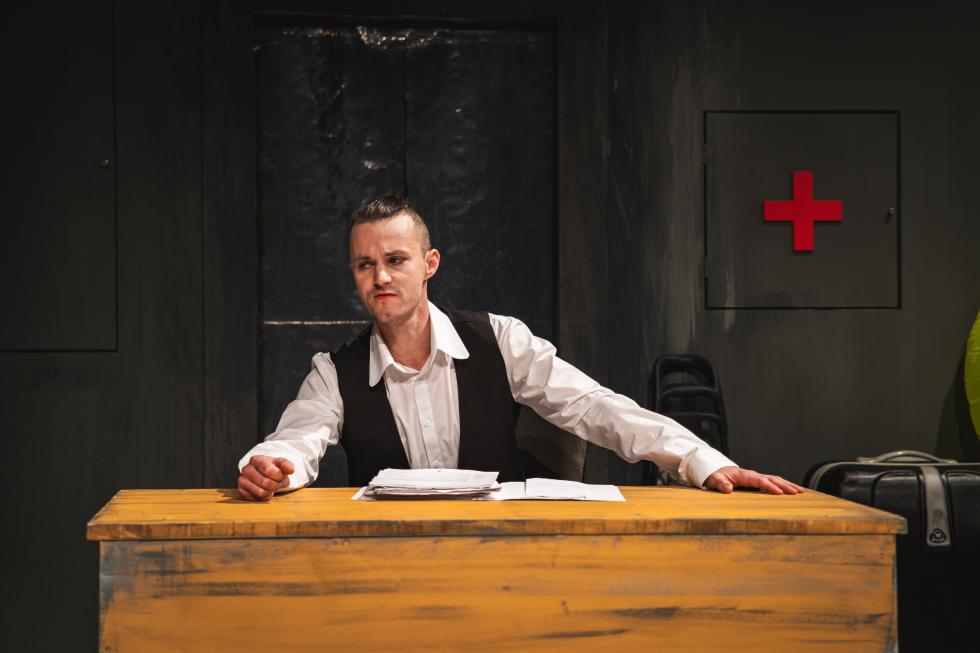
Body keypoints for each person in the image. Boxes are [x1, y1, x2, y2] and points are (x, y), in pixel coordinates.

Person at [237, 194, 804, 500]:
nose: (380, 277)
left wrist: (703, 461)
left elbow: (595, 408)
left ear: (430, 264)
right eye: (365, 264)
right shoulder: (333, 372)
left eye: (395, 260)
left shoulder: (499, 339)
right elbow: (298, 438)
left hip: (505, 558)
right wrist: (273, 467)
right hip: (388, 568)